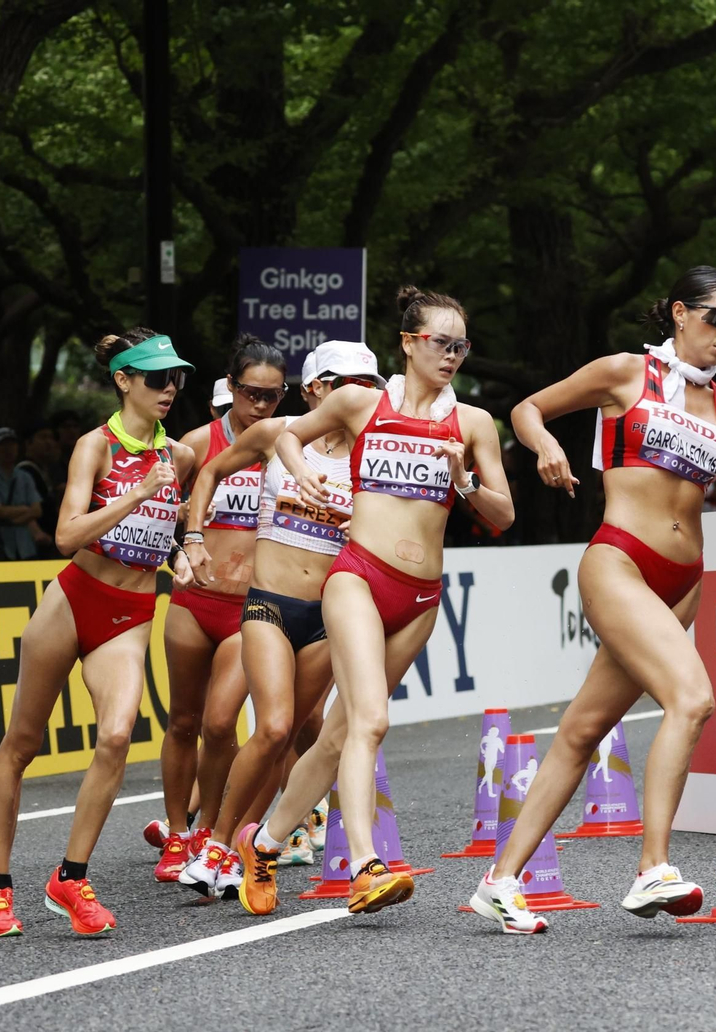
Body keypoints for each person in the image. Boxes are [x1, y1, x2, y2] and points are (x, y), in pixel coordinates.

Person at [468, 265, 716, 934]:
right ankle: (653, 866)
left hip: (682, 584)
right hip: (620, 560)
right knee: (692, 699)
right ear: (680, 313)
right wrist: (542, 448)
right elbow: (527, 407)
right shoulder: (626, 374)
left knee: (582, 732)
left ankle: (499, 882)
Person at [230, 287, 513, 917]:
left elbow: (505, 512)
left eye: (462, 346)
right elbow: (284, 436)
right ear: (409, 343)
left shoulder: (471, 424)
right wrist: (300, 470)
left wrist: (464, 482)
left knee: (336, 737)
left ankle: (266, 844)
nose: (453, 356)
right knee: (371, 722)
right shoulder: (361, 400)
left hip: (419, 598)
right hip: (356, 577)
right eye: (442, 343)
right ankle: (366, 865)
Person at [0, 327, 195, 937]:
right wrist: (138, 496)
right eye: (156, 378)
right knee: (21, 744)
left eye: (176, 377)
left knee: (118, 736)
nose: (169, 388)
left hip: (131, 615)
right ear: (124, 381)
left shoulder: (179, 455)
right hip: (74, 600)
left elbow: (170, 521)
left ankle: (70, 877)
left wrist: (185, 545)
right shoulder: (94, 446)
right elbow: (68, 535)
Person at [179, 340, 384, 898]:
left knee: (289, 734)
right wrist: (192, 537)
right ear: (316, 389)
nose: (361, 394)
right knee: (267, 726)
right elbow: (210, 472)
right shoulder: (276, 434)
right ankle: (216, 844)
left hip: (328, 613)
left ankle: (242, 842)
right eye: (346, 382)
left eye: (371, 384)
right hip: (268, 602)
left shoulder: (376, 454)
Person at [155, 336, 286, 891]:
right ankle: (179, 833)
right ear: (230, 387)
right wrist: (180, 553)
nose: (262, 405)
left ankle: (212, 830)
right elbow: (159, 517)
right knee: (182, 722)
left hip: (248, 610)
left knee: (218, 722)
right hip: (192, 602)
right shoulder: (194, 445)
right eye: (252, 392)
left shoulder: (287, 443)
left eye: (274, 396)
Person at [0, 427, 43, 561]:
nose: (8, 449)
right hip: (0, 544)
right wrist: (25, 509)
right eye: (2, 445)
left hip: (26, 544)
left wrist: (14, 519)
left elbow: (37, 510)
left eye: (12, 444)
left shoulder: (25, 476)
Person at [18, 424, 63, 557]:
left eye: (51, 438)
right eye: (43, 437)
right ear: (28, 443)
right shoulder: (24, 471)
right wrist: (36, 532)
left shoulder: (49, 471)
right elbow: (21, 504)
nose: (49, 442)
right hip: (35, 543)